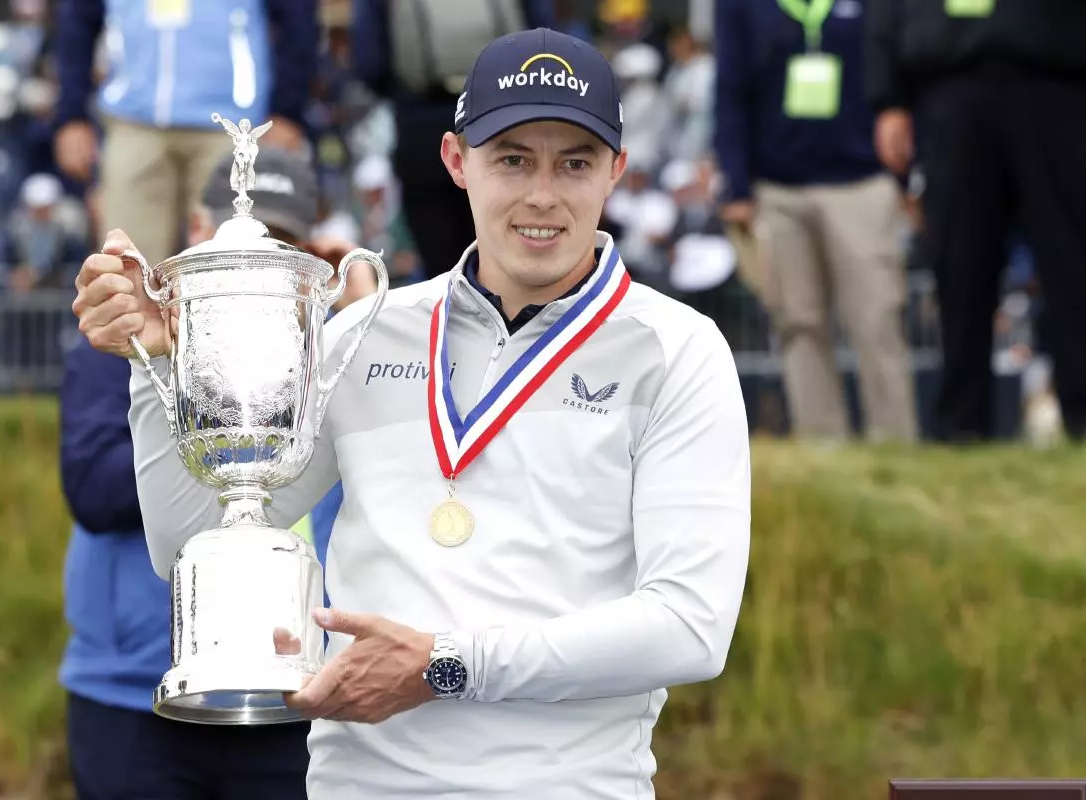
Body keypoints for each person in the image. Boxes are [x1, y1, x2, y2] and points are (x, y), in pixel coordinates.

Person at [73, 28, 751, 799]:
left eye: (575, 163)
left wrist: (444, 664)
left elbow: (691, 626)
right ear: (456, 162)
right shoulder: (365, 330)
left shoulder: (676, 349)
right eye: (512, 159)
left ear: (616, 172)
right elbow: (186, 541)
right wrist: (160, 362)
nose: (542, 195)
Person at [58, 145, 374, 800]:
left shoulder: (331, 358)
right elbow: (90, 487)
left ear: (311, 254)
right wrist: (193, 406)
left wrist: (355, 337)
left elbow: (374, 489)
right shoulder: (121, 335)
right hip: (129, 691)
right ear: (198, 232)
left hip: (296, 681)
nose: (261, 261)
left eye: (283, 241)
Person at [865, 0, 1086, 442]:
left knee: (1076, 263)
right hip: (950, 83)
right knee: (958, 266)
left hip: (1059, 76)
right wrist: (888, 97)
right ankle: (961, 428)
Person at [714, 0, 918, 442]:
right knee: (798, 321)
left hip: (862, 181)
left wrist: (904, 174)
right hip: (777, 188)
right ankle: (822, 442)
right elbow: (729, 87)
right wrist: (736, 185)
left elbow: (899, 69)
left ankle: (897, 442)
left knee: (877, 318)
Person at [53, 0, 318, 268]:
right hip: (132, 119)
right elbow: (77, 20)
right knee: (127, 266)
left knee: (228, 263)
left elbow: (297, 18)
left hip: (231, 124)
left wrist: (287, 110)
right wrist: (71, 114)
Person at [350, 0, 555, 277]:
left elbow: (369, 62)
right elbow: (546, 40)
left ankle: (449, 315)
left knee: (441, 261)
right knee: (508, 243)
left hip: (421, 118)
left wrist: (404, 94)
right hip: (503, 111)